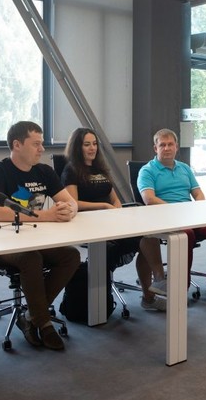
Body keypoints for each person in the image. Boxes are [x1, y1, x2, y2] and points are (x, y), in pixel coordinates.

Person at [0, 121, 81, 350]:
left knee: (71, 256)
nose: (42, 149)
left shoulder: (44, 171)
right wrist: (47, 216)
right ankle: (44, 323)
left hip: (35, 240)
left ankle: (30, 316)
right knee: (31, 257)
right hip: (1, 244)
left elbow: (70, 202)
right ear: (17, 145)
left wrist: (69, 210)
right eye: (36, 144)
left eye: (42, 143)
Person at [62, 127, 168, 312]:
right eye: (86, 144)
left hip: (111, 220)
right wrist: (103, 207)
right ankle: (101, 280)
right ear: (77, 147)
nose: (92, 148)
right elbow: (73, 203)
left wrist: (117, 211)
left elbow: (114, 199)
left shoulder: (100, 169)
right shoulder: (71, 170)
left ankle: (153, 289)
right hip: (88, 223)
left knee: (148, 237)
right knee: (121, 246)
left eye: (94, 144)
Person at [137, 128, 206, 297]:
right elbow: (149, 199)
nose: (167, 148)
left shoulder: (184, 168)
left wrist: (198, 209)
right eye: (162, 145)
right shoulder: (147, 171)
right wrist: (177, 212)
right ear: (155, 148)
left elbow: (198, 193)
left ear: (176, 147)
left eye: (170, 144)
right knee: (187, 235)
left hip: (189, 216)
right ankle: (180, 289)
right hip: (165, 218)